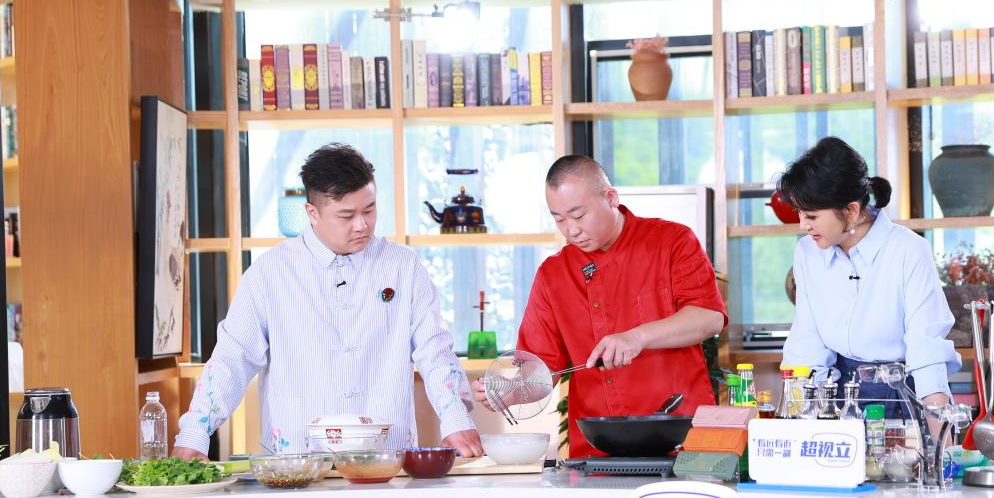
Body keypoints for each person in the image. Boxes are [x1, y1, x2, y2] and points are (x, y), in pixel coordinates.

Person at [171, 143, 483, 460]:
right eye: (346, 215)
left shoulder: (403, 266)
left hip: (386, 460)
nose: (362, 225)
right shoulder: (270, 273)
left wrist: (455, 418)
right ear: (312, 213)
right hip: (296, 462)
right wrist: (195, 434)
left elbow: (434, 348)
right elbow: (232, 358)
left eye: (369, 210)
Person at [472, 155, 727, 458]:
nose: (571, 231)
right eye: (559, 220)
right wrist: (514, 390)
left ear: (611, 198)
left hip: (681, 437)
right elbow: (542, 367)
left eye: (578, 216)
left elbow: (709, 317)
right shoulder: (553, 275)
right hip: (596, 449)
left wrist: (638, 337)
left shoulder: (671, 241)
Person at [779, 137, 958, 416]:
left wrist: (940, 434)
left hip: (902, 399)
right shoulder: (807, 252)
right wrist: (803, 418)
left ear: (851, 210)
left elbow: (927, 350)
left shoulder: (908, 250)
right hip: (838, 400)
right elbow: (807, 343)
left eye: (811, 216)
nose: (803, 225)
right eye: (800, 213)